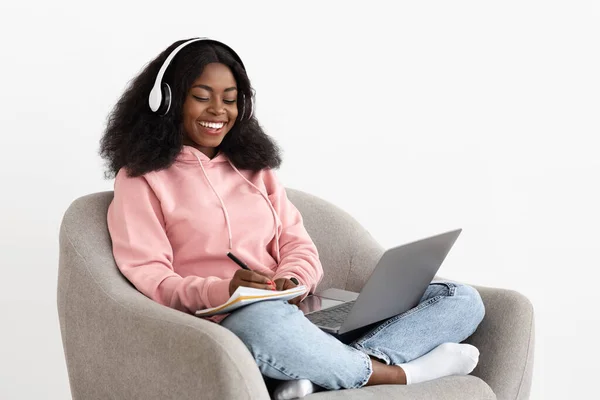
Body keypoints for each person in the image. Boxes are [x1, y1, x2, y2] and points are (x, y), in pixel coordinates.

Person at [100, 38, 485, 399]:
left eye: (231, 100)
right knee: (264, 322)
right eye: (202, 97)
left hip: (299, 309)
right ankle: (397, 373)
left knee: (460, 298)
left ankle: (315, 369)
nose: (219, 111)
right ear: (166, 101)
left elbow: (298, 244)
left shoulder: (255, 169)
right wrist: (224, 290)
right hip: (234, 319)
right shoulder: (140, 180)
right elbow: (152, 278)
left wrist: (295, 280)